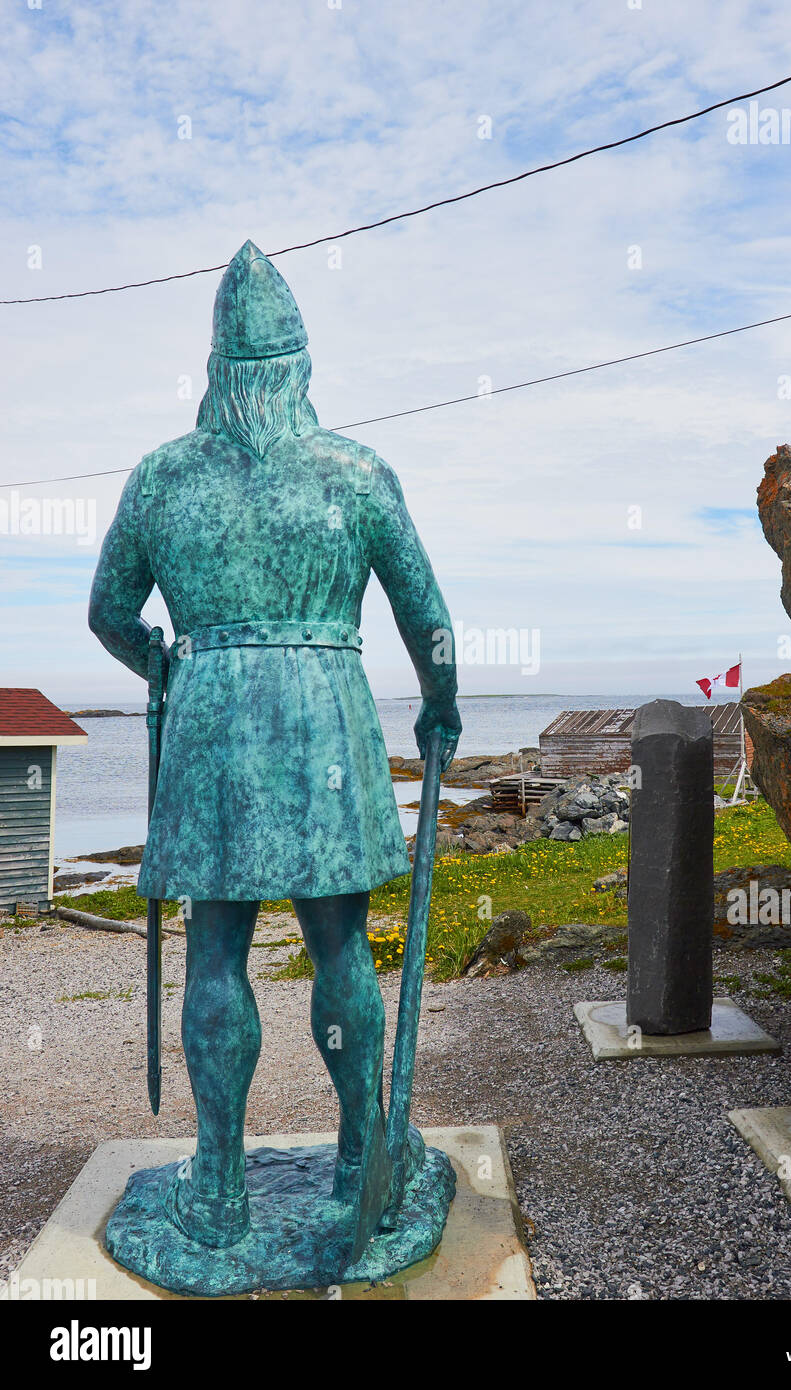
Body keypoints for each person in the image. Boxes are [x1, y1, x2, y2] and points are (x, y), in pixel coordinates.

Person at [89, 241, 461, 1259]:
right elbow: (426, 617)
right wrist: (440, 705)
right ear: (300, 367)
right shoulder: (355, 471)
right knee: (338, 944)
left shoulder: (164, 476)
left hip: (211, 715)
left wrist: (161, 660)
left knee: (218, 948)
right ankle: (355, 1151)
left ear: (217, 368)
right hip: (325, 718)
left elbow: (108, 613)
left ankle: (217, 1182)